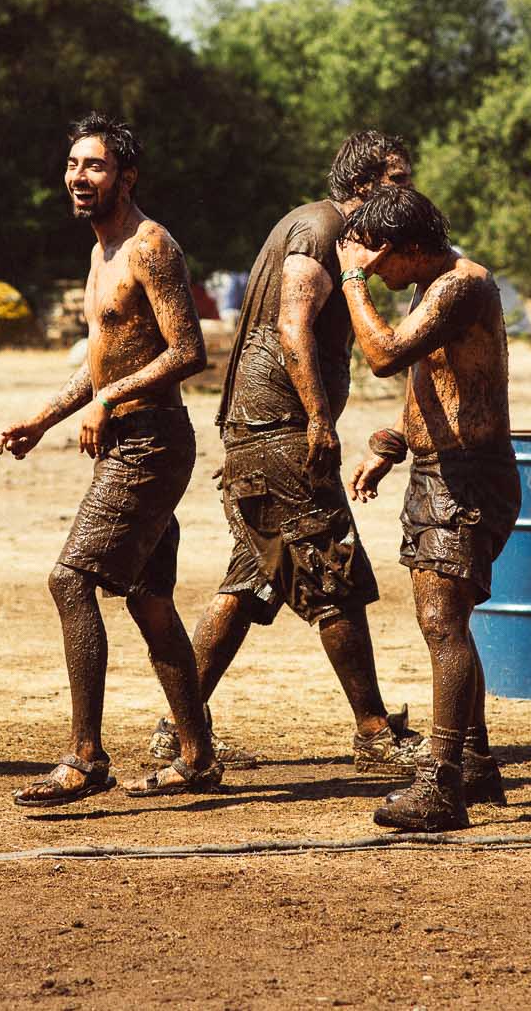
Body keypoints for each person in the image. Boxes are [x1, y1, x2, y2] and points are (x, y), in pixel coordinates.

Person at [148, 131, 426, 778]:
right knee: (335, 575)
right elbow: (291, 325)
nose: (408, 194)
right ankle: (375, 733)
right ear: (365, 186)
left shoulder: (328, 230)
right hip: (281, 435)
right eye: (400, 181)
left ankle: (175, 731)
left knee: (248, 583)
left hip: (262, 435)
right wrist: (318, 421)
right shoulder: (323, 229)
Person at [0, 114, 220, 805]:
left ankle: (87, 757)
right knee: (151, 601)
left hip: (152, 440)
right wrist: (43, 417)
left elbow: (189, 352)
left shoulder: (150, 247)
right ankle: (197, 756)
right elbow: (104, 362)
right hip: (126, 437)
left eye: (93, 166)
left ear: (126, 177)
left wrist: (109, 401)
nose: (78, 177)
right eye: (72, 165)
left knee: (70, 580)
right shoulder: (100, 252)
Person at [336, 188, 517, 832]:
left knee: (442, 623)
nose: (377, 274)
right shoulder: (433, 286)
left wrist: (353, 280)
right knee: (451, 621)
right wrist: (391, 443)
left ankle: (441, 782)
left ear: (406, 249)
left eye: (381, 261)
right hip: (443, 472)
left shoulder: (461, 286)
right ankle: (470, 759)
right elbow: (441, 383)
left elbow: (384, 356)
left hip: (465, 481)